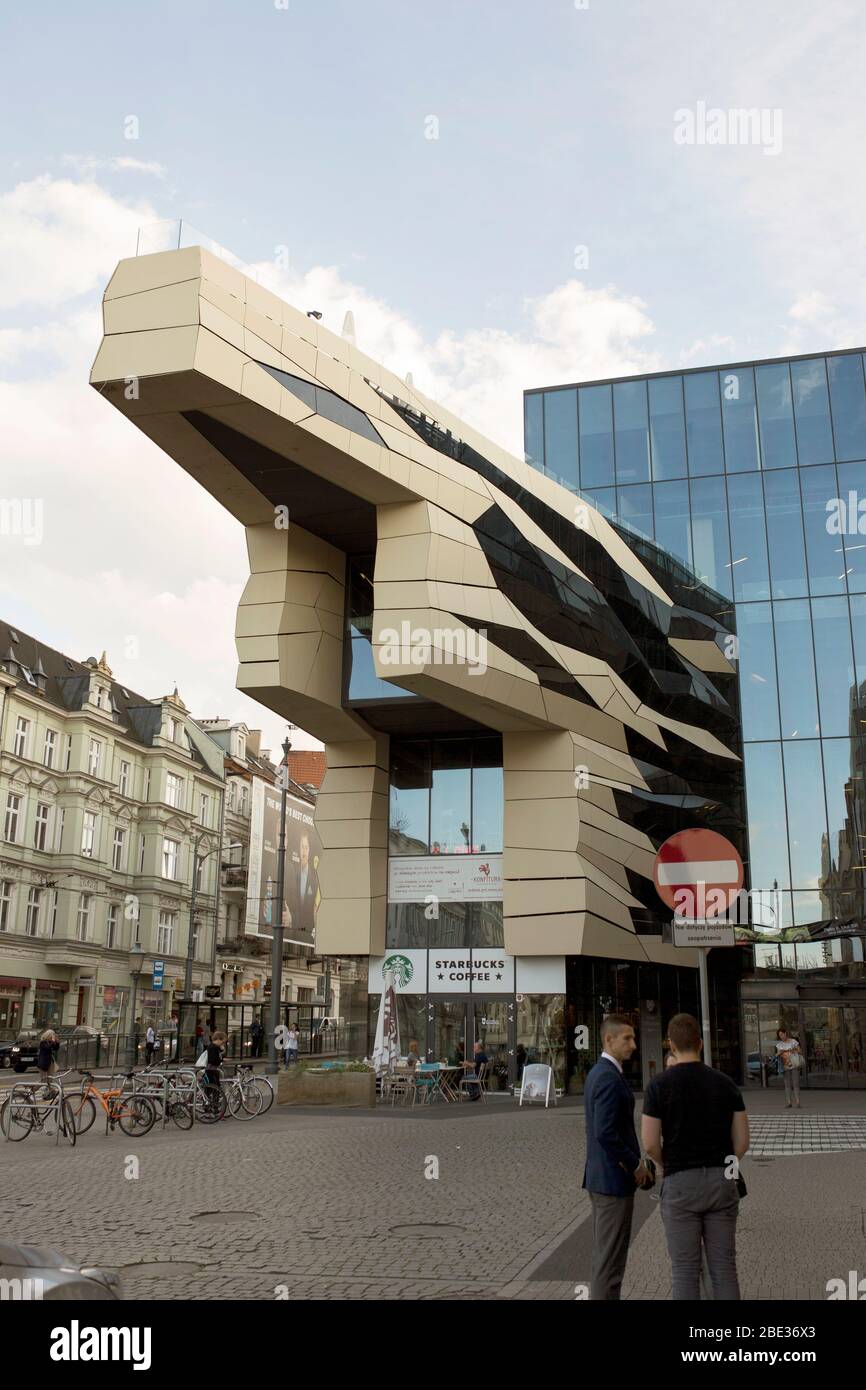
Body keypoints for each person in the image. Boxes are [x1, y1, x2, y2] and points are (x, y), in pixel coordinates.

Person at [641, 1013, 749, 1301]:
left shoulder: (658, 1086)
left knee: (685, 1270)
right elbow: (743, 1142)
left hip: (679, 1183)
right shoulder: (726, 1084)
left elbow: (650, 1143)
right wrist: (725, 1163)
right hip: (721, 1181)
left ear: (670, 1044)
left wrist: (668, 1165)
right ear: (700, 1044)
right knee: (725, 1268)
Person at [583, 1015, 654, 1300]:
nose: (634, 1045)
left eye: (634, 1037)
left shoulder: (602, 1073)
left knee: (607, 1259)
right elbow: (606, 1132)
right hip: (612, 1182)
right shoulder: (607, 1077)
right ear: (608, 1039)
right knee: (610, 1264)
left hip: (604, 1179)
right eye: (627, 1038)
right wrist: (635, 1165)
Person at [775, 1027, 803, 1108]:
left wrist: (794, 1050)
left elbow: (800, 1051)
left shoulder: (793, 1041)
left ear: (785, 1033)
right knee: (787, 1085)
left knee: (796, 1083)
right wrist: (780, 1052)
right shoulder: (779, 1045)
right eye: (779, 1035)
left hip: (794, 1064)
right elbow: (776, 1055)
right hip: (785, 1066)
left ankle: (798, 1102)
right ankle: (789, 1102)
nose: (781, 1036)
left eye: (782, 1034)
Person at [203, 1030, 225, 1113]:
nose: (223, 1044)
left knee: (213, 1089)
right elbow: (213, 1060)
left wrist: (222, 1051)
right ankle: (211, 1107)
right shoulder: (213, 1047)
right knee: (213, 1088)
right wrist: (220, 1060)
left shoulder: (214, 1047)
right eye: (222, 1041)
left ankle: (212, 1106)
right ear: (218, 1039)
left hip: (212, 1070)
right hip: (210, 1071)